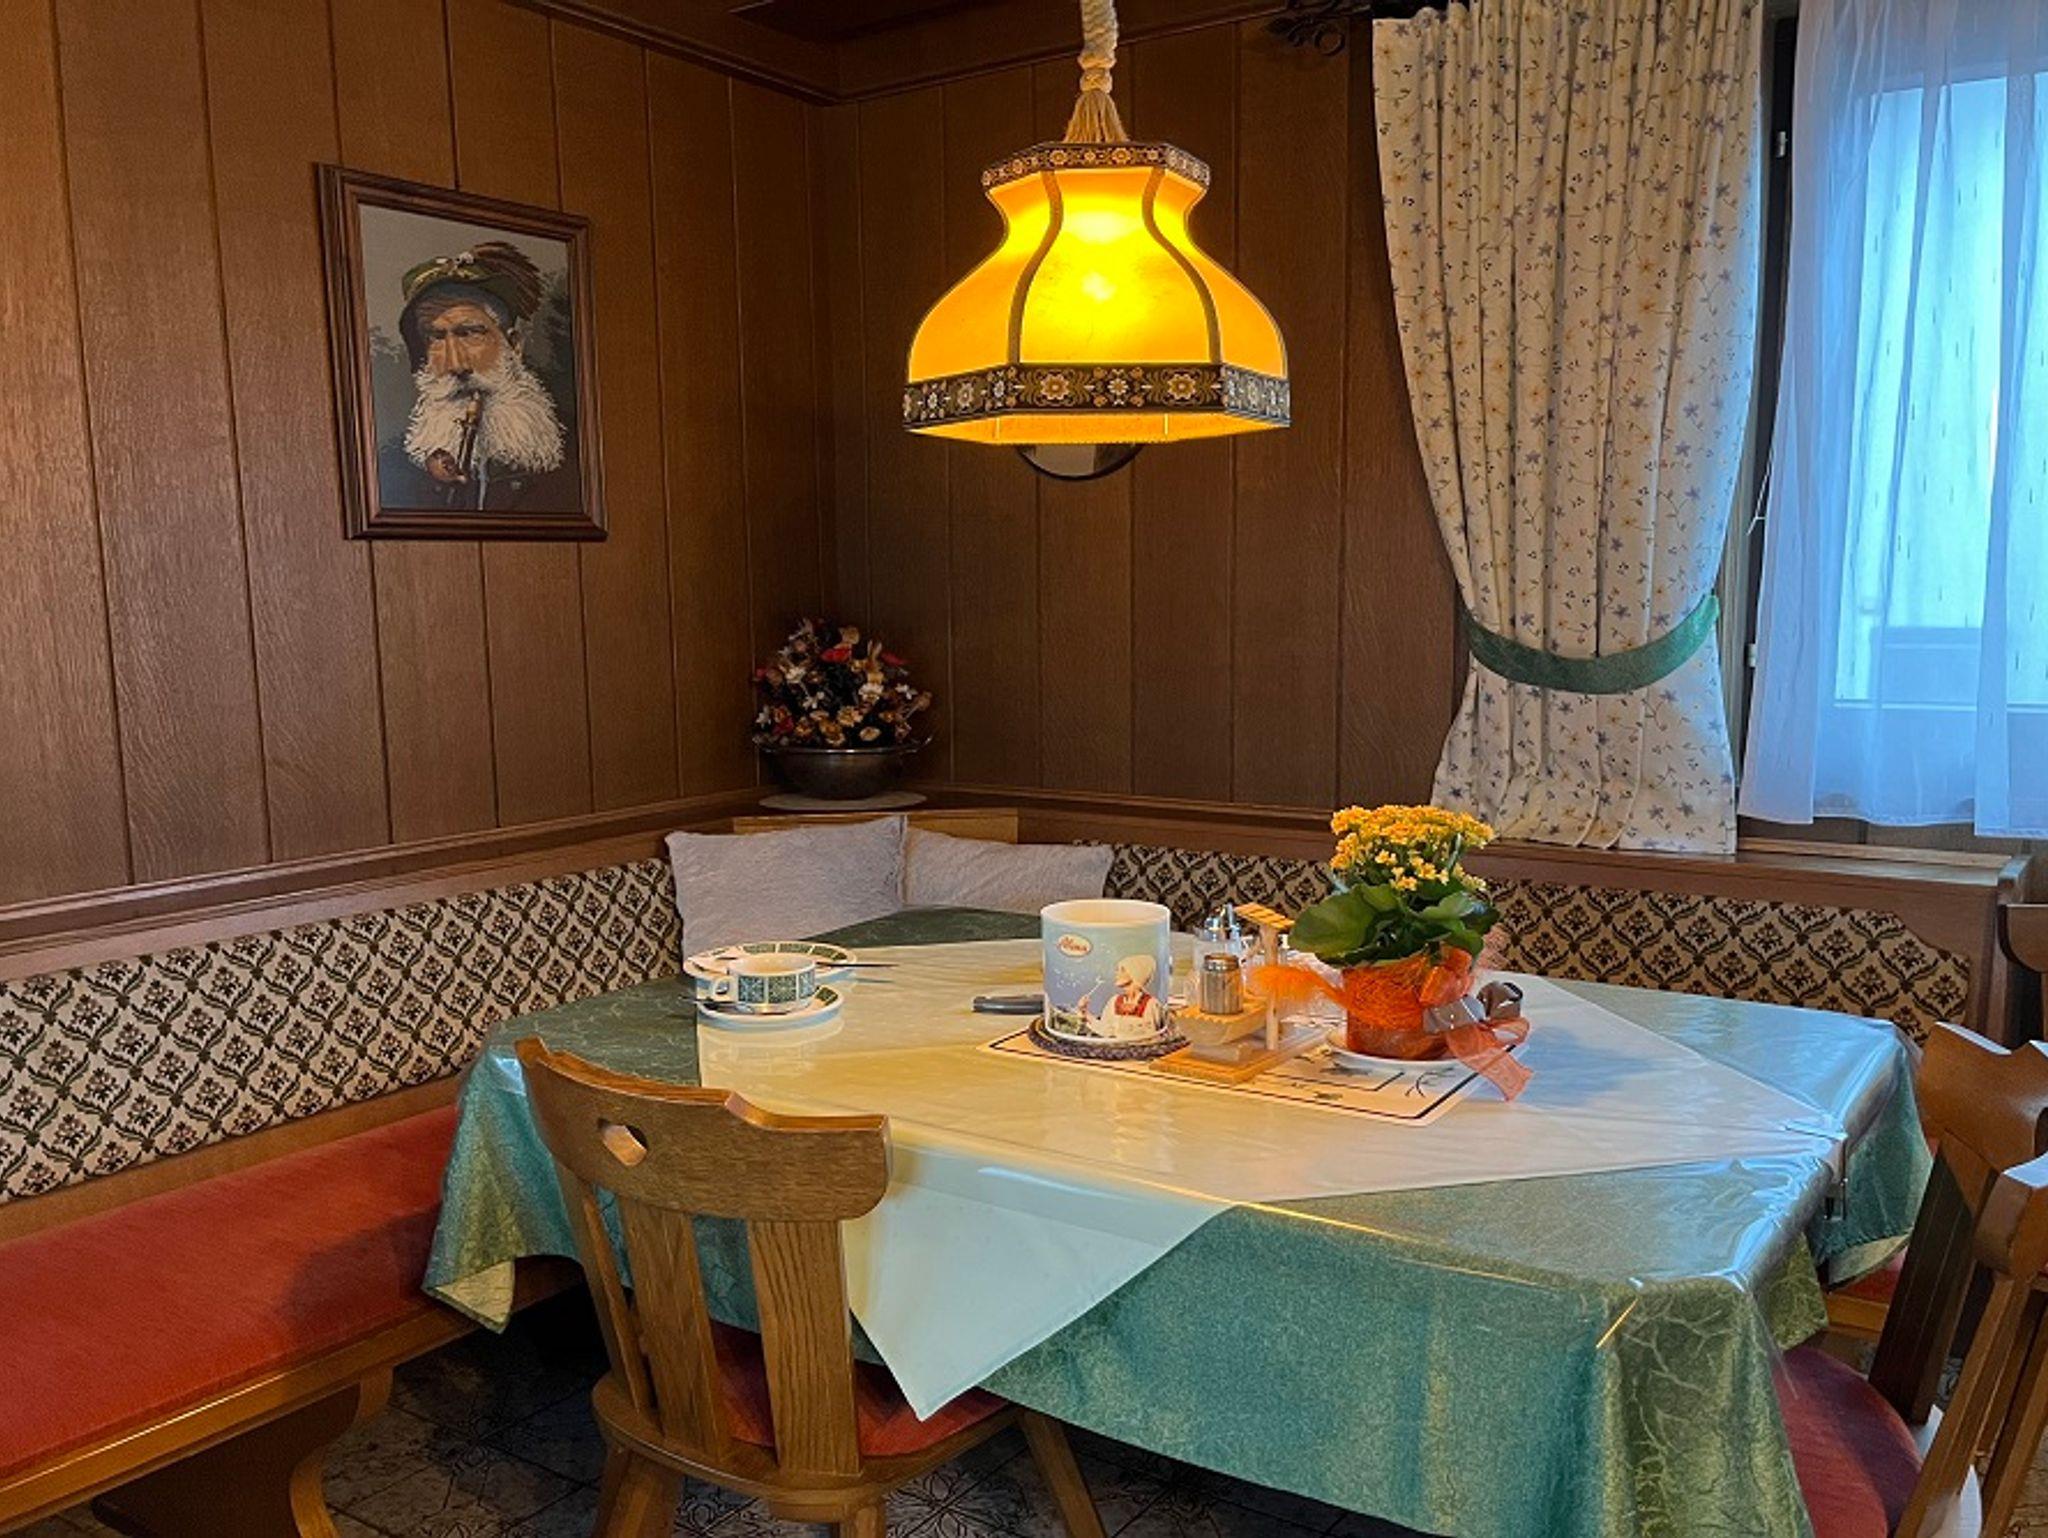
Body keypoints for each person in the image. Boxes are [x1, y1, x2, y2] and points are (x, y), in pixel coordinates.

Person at [377, 241, 580, 512]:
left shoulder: (579, 456)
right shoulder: (392, 469)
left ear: (514, 346)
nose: (456, 364)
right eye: (436, 337)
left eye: (470, 333)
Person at [1074, 955, 1166, 1040]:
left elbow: (1154, 1037)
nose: (1116, 973)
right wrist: (1084, 1011)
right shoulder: (1114, 1001)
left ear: (1135, 974)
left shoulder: (1151, 1004)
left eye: (1122, 969)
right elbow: (1106, 1030)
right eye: (1117, 969)